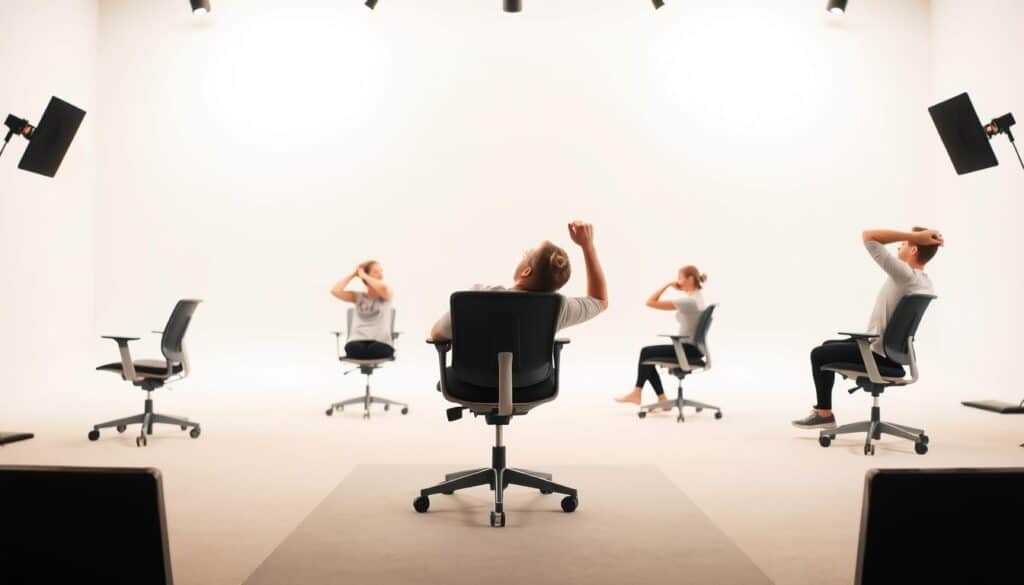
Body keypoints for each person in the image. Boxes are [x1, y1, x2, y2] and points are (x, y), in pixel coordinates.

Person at [792, 227, 943, 430]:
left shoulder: (905, 275)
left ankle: (824, 414)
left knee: (818, 355)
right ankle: (823, 412)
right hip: (891, 353)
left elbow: (869, 236)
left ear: (914, 250)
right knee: (827, 346)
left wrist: (914, 236)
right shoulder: (924, 281)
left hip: (878, 354)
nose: (900, 244)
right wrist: (918, 239)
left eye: (906, 244)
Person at [429, 220, 608, 342]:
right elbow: (600, 300)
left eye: (526, 255)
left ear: (526, 271)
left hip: (474, 385)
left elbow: (437, 334)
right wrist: (587, 246)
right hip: (532, 386)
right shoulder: (558, 308)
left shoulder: (477, 296)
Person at [615, 266, 708, 410]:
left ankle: (637, 392)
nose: (678, 281)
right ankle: (661, 399)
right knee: (649, 356)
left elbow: (650, 302)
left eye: (680, 277)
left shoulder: (689, 302)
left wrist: (668, 285)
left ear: (689, 279)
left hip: (688, 349)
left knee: (646, 353)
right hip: (693, 349)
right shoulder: (697, 298)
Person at [330, 260, 396, 360]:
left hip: (381, 343)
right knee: (354, 347)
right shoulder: (357, 297)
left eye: (381, 271)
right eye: (376, 272)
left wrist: (364, 275)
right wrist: (354, 274)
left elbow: (384, 288)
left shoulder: (386, 295)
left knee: (375, 348)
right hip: (357, 342)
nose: (380, 275)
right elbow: (335, 291)